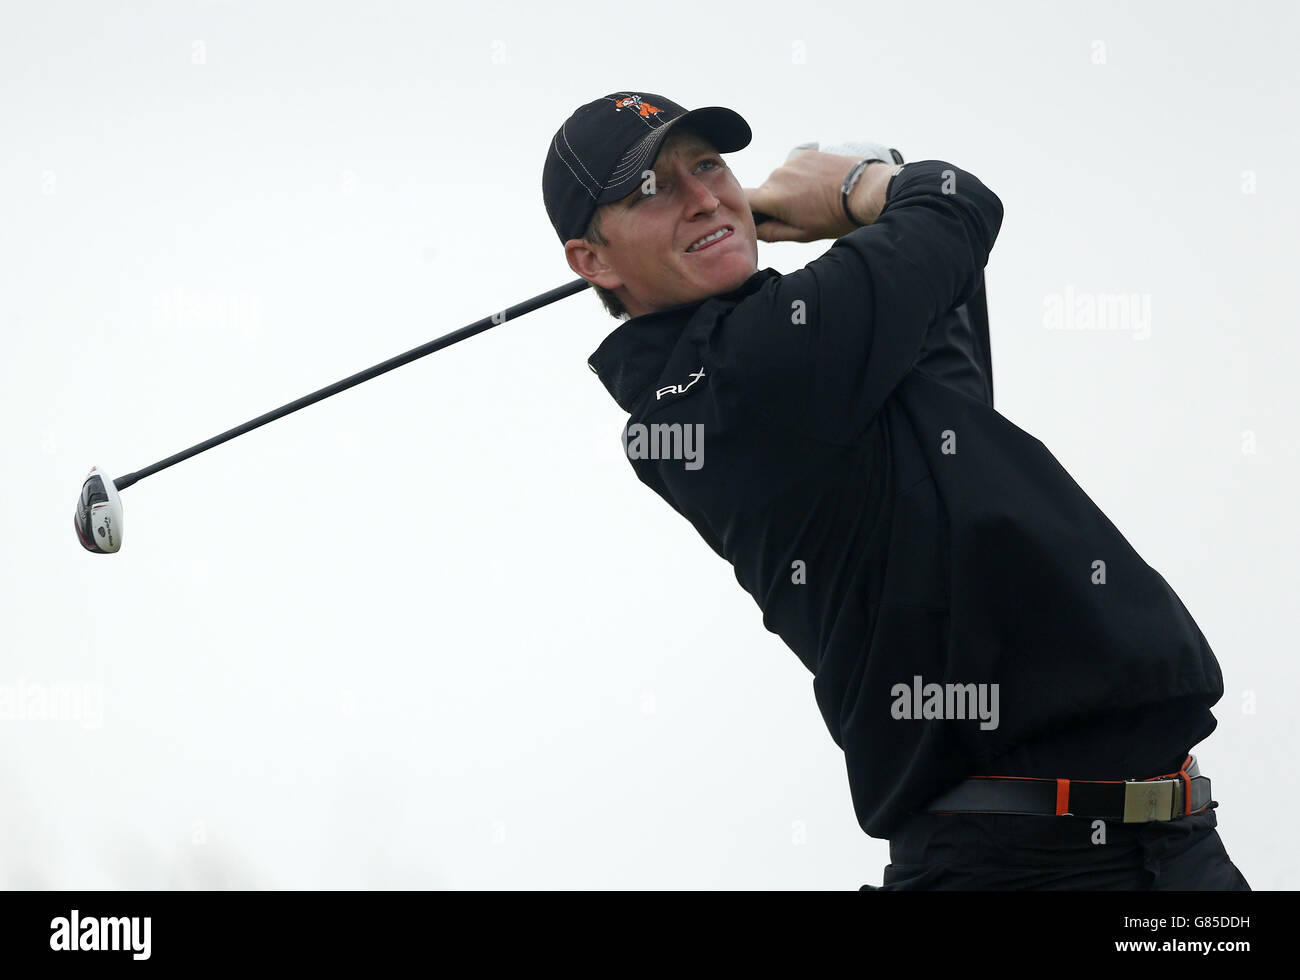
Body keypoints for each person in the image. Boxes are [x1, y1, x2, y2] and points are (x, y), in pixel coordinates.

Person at [541, 91, 1250, 890]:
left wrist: (868, 198)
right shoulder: (741, 377)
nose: (703, 195)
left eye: (707, 166)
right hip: (1017, 868)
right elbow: (955, 206)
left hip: (1176, 844)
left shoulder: (814, 353)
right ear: (591, 261)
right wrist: (854, 190)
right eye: (651, 190)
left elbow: (937, 296)